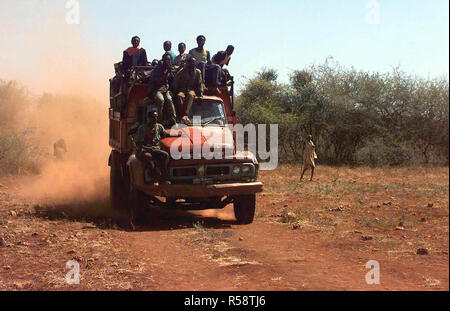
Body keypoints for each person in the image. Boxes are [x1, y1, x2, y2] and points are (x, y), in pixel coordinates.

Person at [135, 111, 181, 183]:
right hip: (144, 150)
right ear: (149, 118)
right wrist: (148, 149)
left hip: (155, 149)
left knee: (165, 155)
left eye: (156, 117)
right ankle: (151, 176)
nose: (155, 119)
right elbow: (139, 144)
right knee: (148, 157)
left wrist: (178, 136)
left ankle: (163, 178)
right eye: (153, 117)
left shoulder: (159, 127)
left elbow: (166, 135)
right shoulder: (142, 128)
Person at [147, 54, 177, 126]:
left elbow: (173, 81)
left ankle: (173, 119)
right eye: (166, 60)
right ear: (163, 60)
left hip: (166, 89)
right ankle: (159, 120)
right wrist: (167, 72)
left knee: (169, 99)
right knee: (161, 100)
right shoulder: (157, 69)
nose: (167, 61)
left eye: (169, 60)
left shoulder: (169, 69)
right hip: (157, 89)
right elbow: (159, 81)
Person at [173, 56, 203, 124]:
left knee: (190, 95)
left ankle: (185, 114)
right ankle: (182, 116)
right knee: (179, 96)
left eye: (193, 63)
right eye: (191, 63)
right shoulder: (182, 71)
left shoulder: (198, 72)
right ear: (188, 63)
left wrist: (200, 94)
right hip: (182, 89)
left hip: (191, 89)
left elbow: (200, 83)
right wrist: (175, 91)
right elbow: (175, 82)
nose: (192, 64)